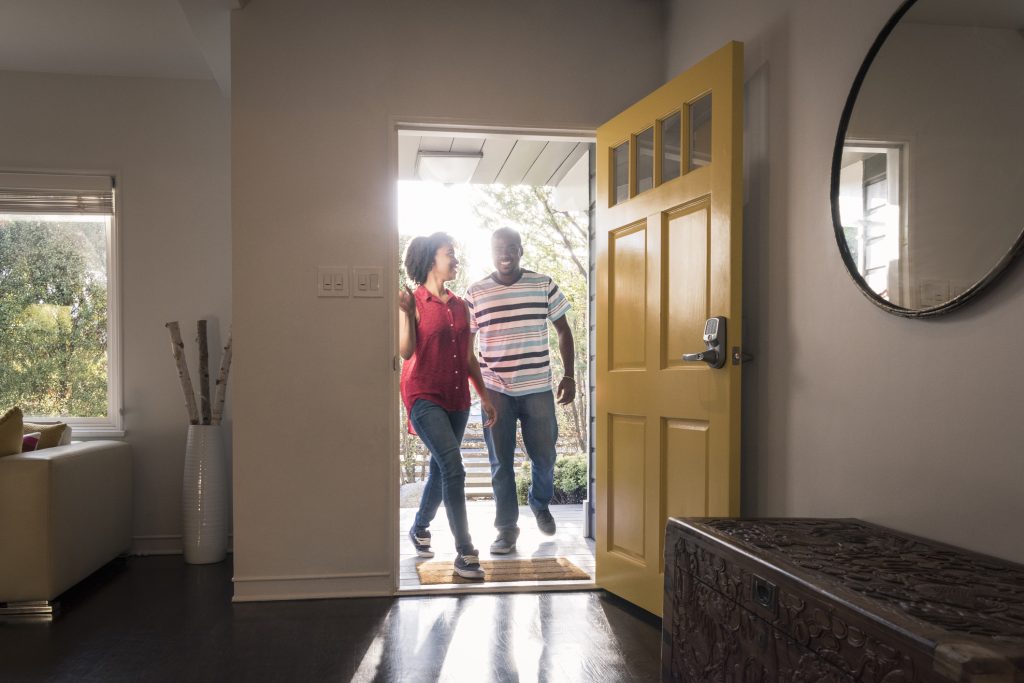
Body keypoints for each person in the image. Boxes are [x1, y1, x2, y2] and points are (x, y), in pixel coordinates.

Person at [464, 226, 575, 555]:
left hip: (538, 388)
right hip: (496, 390)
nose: (505, 253)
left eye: (511, 247)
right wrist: (479, 390)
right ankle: (506, 529)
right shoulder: (476, 293)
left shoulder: (543, 284)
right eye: (499, 248)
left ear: (521, 250)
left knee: (545, 456)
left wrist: (569, 375)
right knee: (501, 463)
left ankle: (539, 503)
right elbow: (467, 350)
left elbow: (564, 330)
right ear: (491, 252)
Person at [399, 232, 496, 580]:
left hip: (457, 397)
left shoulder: (460, 305)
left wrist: (484, 397)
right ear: (430, 260)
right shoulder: (411, 299)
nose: (455, 260)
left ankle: (420, 526)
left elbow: (468, 358)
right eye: (449, 254)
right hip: (423, 395)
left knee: (442, 469)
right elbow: (407, 351)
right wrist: (406, 313)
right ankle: (465, 551)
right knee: (454, 468)